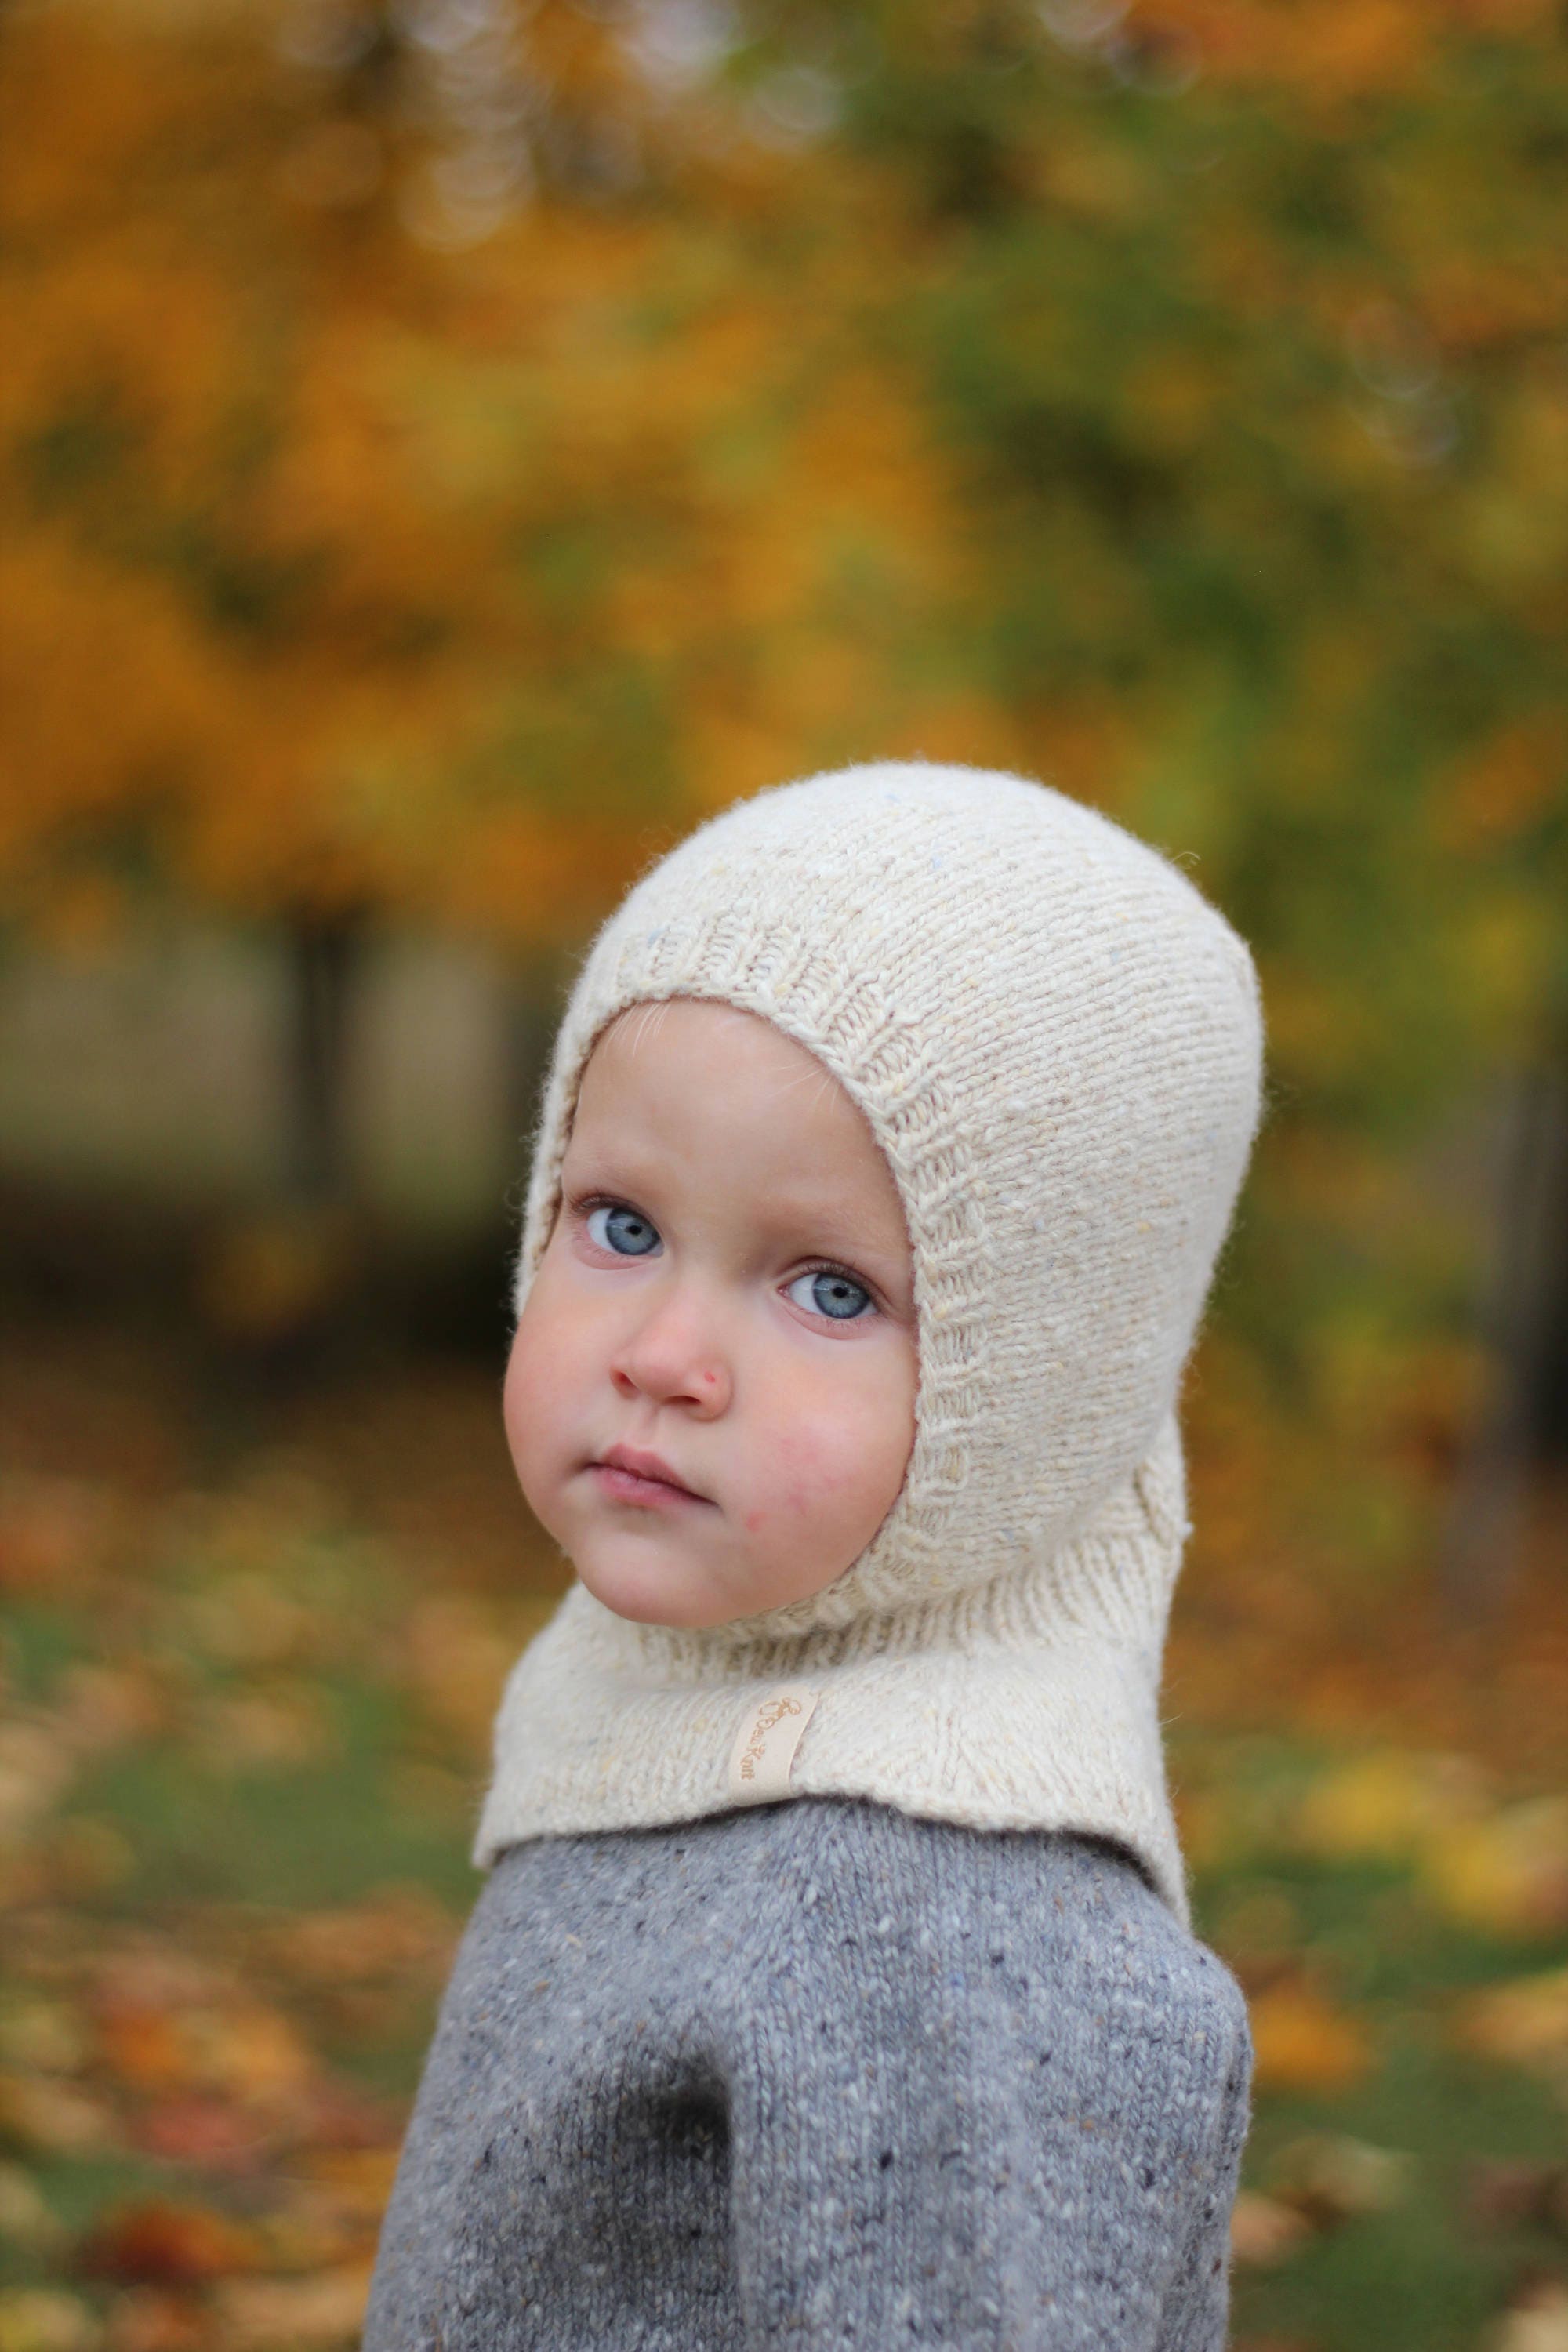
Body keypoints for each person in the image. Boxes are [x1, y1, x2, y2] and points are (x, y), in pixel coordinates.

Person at [361, 759, 1266, 2350]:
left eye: (829, 1290)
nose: (664, 1355)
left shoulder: (932, 1916)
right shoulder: (653, 1714)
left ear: (1038, 1392)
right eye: (621, 1223)